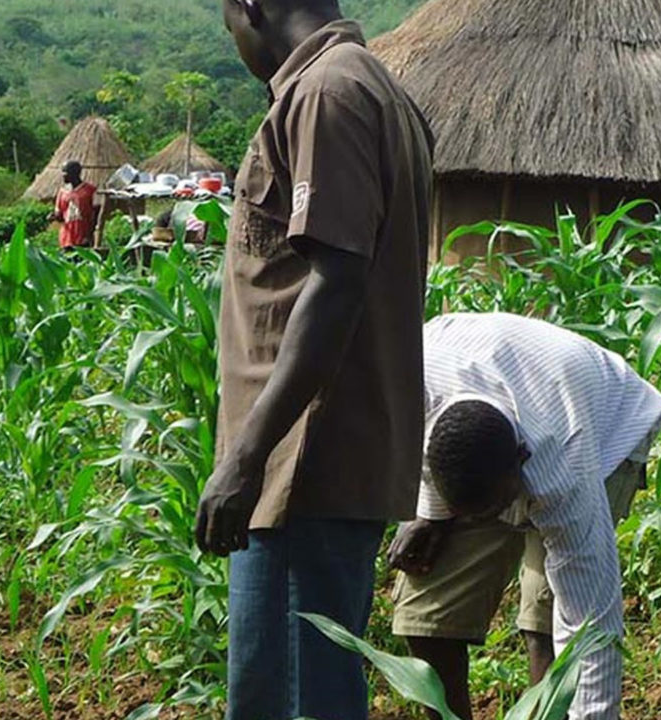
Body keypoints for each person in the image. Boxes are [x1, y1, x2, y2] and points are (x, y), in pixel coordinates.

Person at [194, 1, 434, 719]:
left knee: (292, 699)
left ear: (251, 6)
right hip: (311, 464)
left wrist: (247, 454)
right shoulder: (368, 87)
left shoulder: (328, 93)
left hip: (303, 464)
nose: (232, 36)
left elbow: (336, 281)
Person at [388, 313, 661, 720]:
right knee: (426, 613)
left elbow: (591, 628)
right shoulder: (408, 394)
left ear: (521, 462)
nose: (498, 519)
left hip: (607, 430)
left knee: (549, 620)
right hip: (472, 392)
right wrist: (432, 514)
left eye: (492, 510)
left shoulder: (563, 468)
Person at [51, 160, 98, 249]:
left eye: (65, 172)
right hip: (66, 239)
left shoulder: (89, 191)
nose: (63, 175)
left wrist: (90, 234)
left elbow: (96, 214)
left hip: (84, 238)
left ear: (74, 173)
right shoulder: (62, 193)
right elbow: (61, 216)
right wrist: (54, 217)